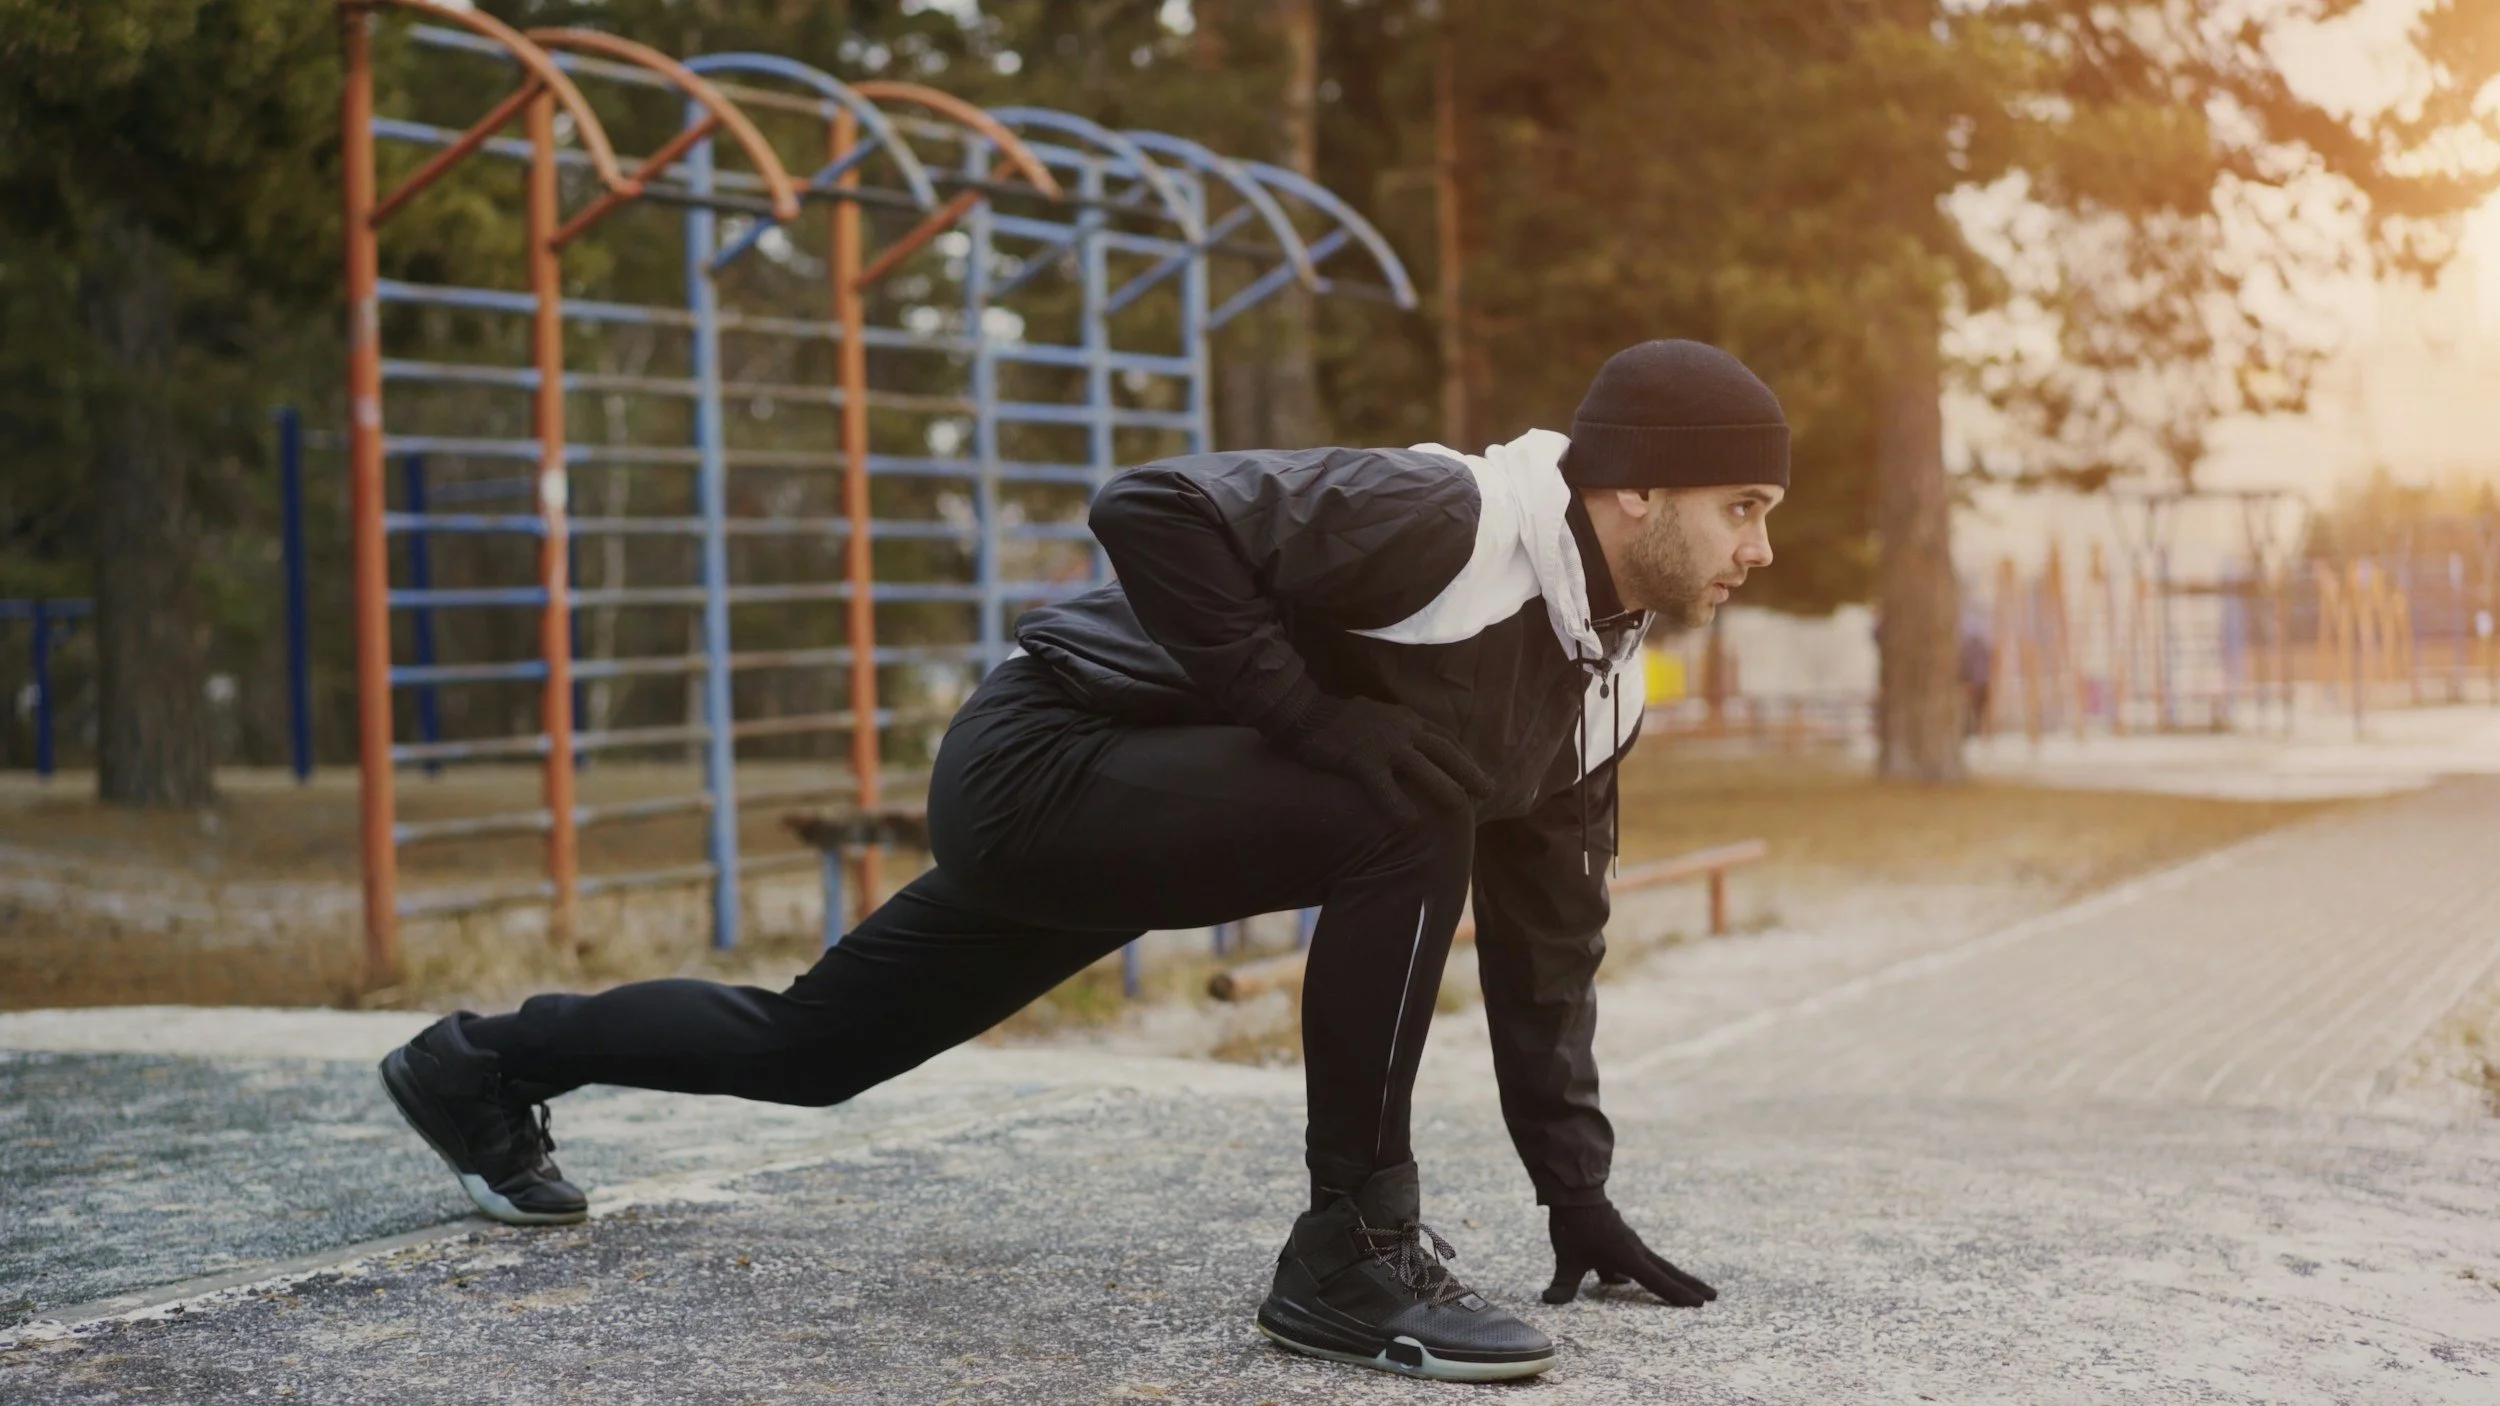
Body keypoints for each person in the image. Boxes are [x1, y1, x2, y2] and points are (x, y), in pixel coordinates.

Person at [380, 339, 1787, 1382]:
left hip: (1137, 818)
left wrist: (1576, 1194)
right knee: (1414, 805)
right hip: (1043, 759)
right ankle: (1349, 1251)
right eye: (1743, 505)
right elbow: (1152, 507)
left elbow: (1550, 944)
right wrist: (1312, 718)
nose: (1763, 547)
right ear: (1634, 487)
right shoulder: (1452, 517)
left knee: (811, 1048)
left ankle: (480, 1064)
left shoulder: (1600, 678)